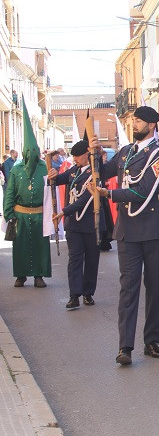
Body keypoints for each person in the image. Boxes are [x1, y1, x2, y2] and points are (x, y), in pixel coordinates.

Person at [91, 106, 159, 365]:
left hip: (154, 229)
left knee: (155, 286)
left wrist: (110, 195)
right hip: (128, 230)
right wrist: (93, 151)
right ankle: (124, 347)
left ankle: (152, 340)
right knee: (128, 288)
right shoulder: (126, 152)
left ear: (151, 125)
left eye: (138, 121)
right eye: (134, 120)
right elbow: (102, 172)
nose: (134, 125)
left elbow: (145, 190)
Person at [48, 140, 104, 309]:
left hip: (90, 223)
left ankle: (88, 293)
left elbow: (85, 200)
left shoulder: (94, 174)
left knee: (92, 259)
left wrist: (64, 212)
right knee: (74, 260)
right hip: (74, 225)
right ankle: (74, 295)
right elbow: (59, 179)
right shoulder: (74, 171)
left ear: (87, 154)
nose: (75, 159)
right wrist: (53, 174)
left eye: (78, 156)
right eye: (73, 156)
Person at [4, 105, 51, 289]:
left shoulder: (45, 168)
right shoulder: (16, 170)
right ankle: (21, 275)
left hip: (39, 214)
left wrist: (51, 215)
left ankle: (39, 275)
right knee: (21, 246)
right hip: (20, 214)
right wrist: (9, 213)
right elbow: (10, 193)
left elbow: (50, 194)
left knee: (40, 246)